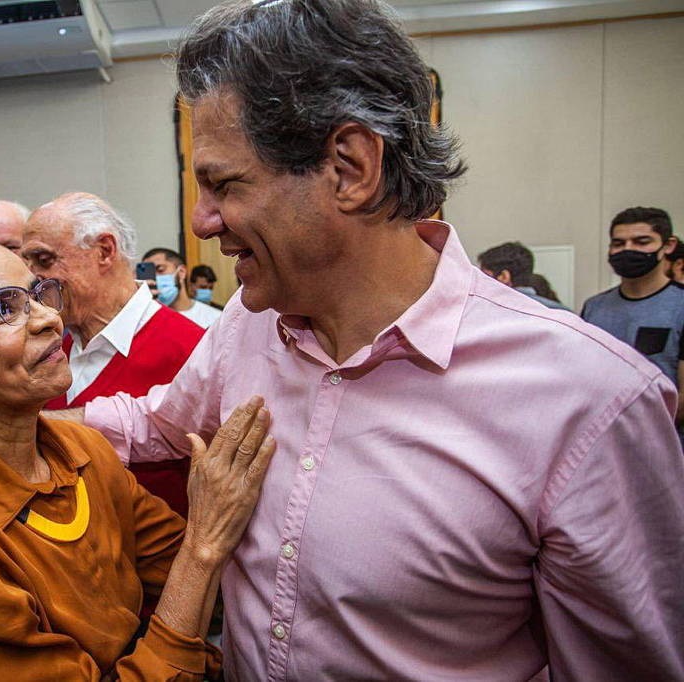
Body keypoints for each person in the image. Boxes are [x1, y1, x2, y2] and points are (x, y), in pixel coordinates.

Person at [64, 1, 684, 679]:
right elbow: (158, 425)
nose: (201, 220)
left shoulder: (589, 403)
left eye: (224, 184)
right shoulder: (247, 321)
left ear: (351, 167)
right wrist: (8, 420)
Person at [0, 234, 272, 680]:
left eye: (38, 294)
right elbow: (194, 562)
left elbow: (182, 569)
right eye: (2, 309)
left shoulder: (80, 450)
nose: (49, 318)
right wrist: (204, 545)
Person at [22, 193, 204, 518]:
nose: (31, 278)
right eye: (27, 263)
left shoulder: (193, 350)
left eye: (44, 260)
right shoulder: (46, 350)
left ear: (104, 251)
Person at [582, 207, 684, 429]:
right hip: (600, 435)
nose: (628, 250)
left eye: (641, 242)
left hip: (663, 437)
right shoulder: (594, 308)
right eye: (619, 244)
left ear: (668, 245)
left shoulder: (679, 306)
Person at [477, 241, 571, 310]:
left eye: (485, 276)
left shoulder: (491, 311)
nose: (480, 282)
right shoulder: (562, 312)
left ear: (504, 276)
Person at [143, 248, 222, 329]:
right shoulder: (144, 320)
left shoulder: (215, 319)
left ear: (181, 272)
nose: (154, 278)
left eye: (160, 270)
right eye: (149, 273)